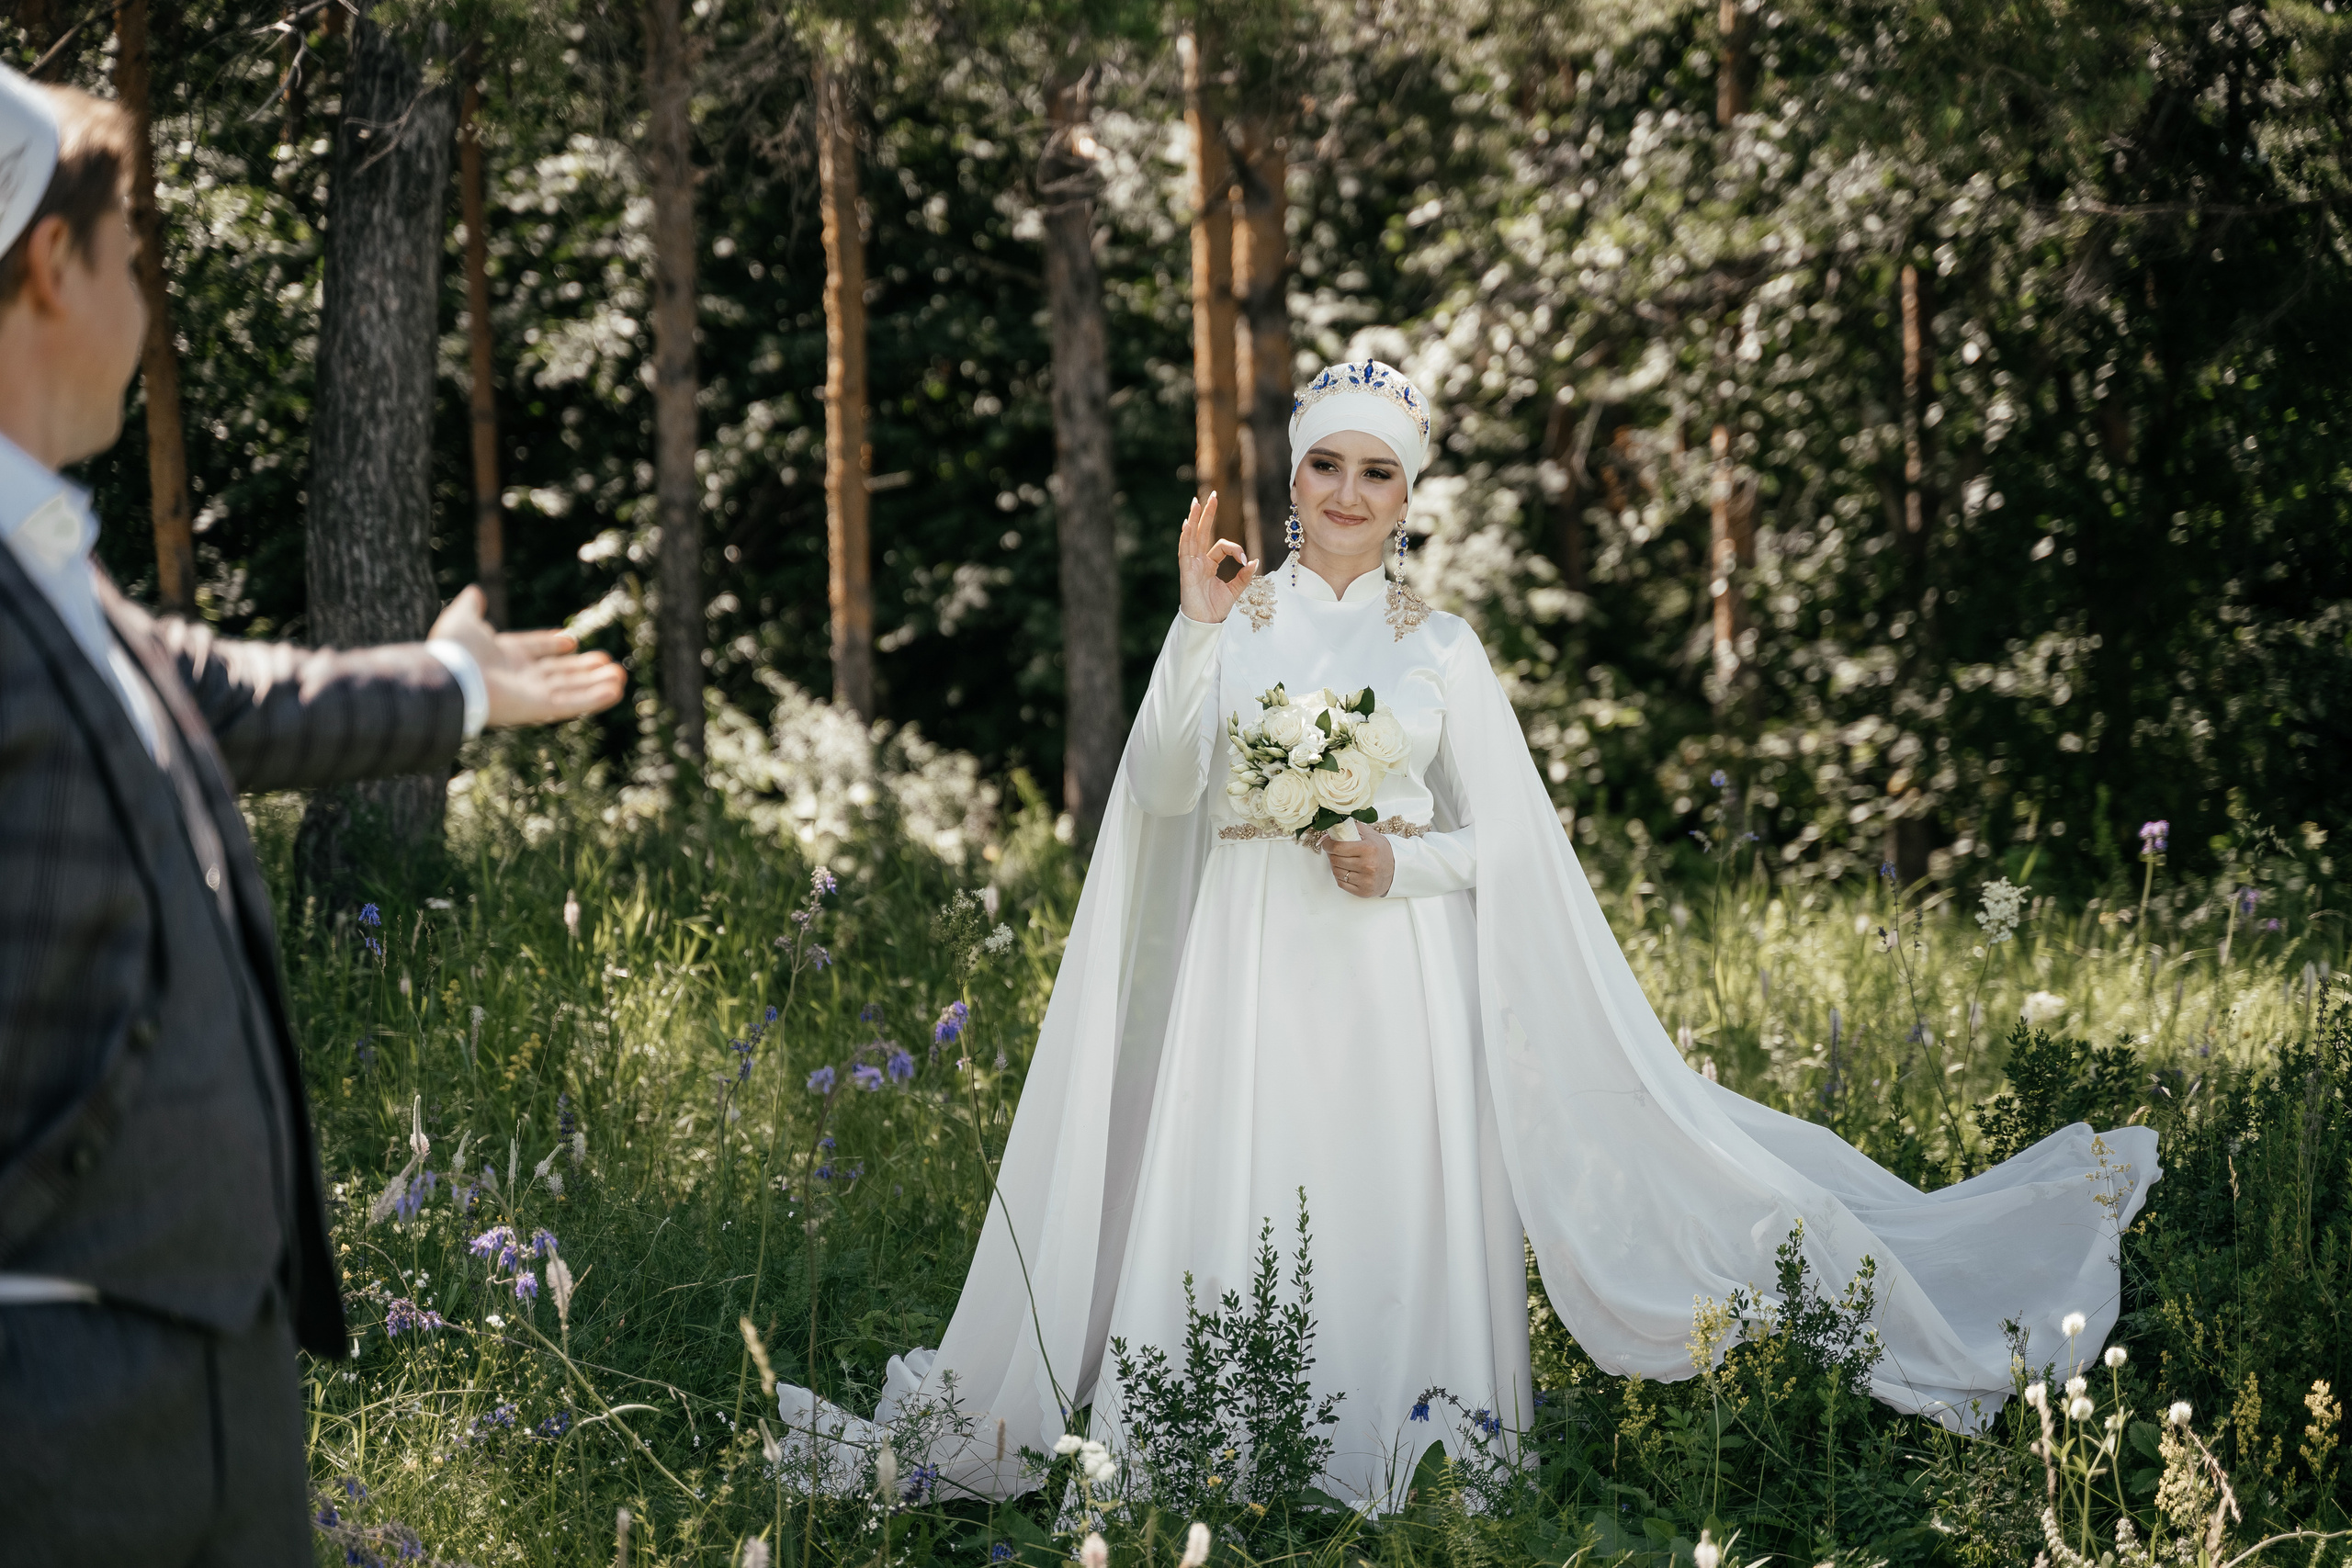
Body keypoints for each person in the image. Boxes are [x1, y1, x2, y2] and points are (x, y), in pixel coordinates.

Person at [779, 357, 2159, 1508]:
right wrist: (1195, 632)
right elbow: (1159, 792)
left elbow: (1516, 843)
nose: (1348, 496)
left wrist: (1411, 863)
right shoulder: (1235, 619)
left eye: (1379, 475)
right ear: (1296, 474)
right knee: (1244, 1168)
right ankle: (1216, 1436)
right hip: (1252, 955)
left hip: (1392, 966)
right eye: (1329, 466)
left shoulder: (1442, 650)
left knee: (1382, 1177)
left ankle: (1399, 1441)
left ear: (1407, 499)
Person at [0, 66, 625, 1562]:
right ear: (44, 270)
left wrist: (451, 686)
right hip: (53, 1392)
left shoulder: (44, 561)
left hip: (187, 1361)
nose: (146, 307)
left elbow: (221, 692)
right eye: (132, 262)